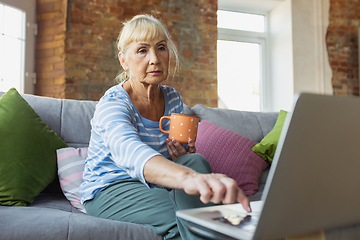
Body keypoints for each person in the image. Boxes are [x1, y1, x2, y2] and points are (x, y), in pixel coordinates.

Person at [79, 14, 251, 240]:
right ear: (124, 60)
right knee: (193, 218)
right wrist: (188, 178)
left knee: (196, 161)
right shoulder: (113, 104)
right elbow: (129, 151)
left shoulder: (173, 99)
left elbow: (182, 153)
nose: (154, 59)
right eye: (142, 50)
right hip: (112, 188)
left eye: (161, 48)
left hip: (155, 184)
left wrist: (184, 155)